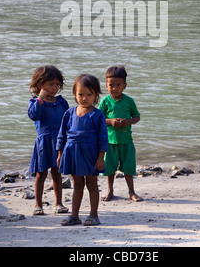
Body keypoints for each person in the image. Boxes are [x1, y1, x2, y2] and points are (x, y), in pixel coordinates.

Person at [56, 74, 108, 226]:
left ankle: (93, 215)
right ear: (74, 94)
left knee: (92, 184)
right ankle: (74, 216)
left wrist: (101, 157)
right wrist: (60, 154)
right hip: (72, 153)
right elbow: (61, 136)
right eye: (81, 94)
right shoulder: (69, 113)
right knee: (77, 185)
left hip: (90, 154)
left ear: (96, 95)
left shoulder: (97, 115)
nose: (84, 98)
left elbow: (103, 138)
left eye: (89, 95)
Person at [28, 65, 69, 216]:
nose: (55, 88)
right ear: (40, 85)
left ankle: (59, 203)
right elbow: (34, 115)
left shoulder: (61, 102)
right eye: (51, 84)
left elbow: (68, 120)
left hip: (59, 142)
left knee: (57, 173)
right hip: (44, 143)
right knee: (41, 174)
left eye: (57, 84)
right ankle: (38, 205)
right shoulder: (35, 102)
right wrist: (40, 98)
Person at [99, 65, 143, 202]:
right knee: (110, 169)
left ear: (124, 85)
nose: (114, 88)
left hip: (126, 141)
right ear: (106, 85)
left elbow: (137, 117)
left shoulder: (129, 101)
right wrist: (111, 121)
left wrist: (128, 122)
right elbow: (99, 119)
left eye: (118, 85)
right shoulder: (105, 101)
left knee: (128, 168)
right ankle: (110, 191)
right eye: (111, 85)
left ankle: (131, 192)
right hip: (110, 142)